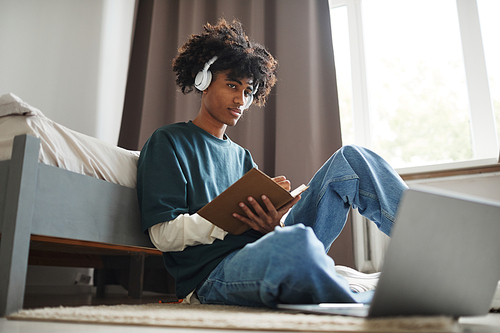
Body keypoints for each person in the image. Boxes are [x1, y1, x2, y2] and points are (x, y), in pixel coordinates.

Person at [137, 19, 408, 308]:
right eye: (232, 85)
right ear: (203, 81)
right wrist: (226, 216)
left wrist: (272, 225)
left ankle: (441, 252)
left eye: (248, 92)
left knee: (352, 159)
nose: (241, 100)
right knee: (296, 243)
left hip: (264, 248)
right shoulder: (168, 141)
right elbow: (163, 236)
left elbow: (265, 234)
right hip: (213, 274)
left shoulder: (242, 157)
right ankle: (355, 300)